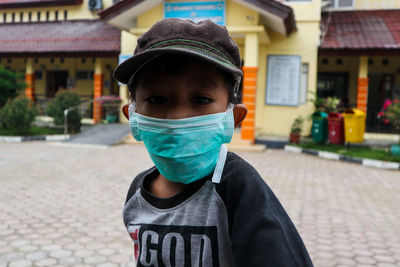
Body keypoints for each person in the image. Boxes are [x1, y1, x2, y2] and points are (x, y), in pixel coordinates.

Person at [115, 18, 313, 267]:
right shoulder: (137, 193)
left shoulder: (238, 188)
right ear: (133, 118)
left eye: (200, 99)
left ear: (233, 119)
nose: (177, 117)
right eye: (156, 99)